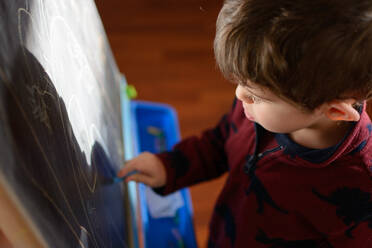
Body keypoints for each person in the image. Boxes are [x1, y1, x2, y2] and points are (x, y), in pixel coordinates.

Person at [118, 0, 372, 247]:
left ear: (335, 111)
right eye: (240, 82)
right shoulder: (256, 109)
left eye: (257, 96)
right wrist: (171, 167)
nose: (240, 95)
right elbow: (220, 141)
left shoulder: (360, 188)